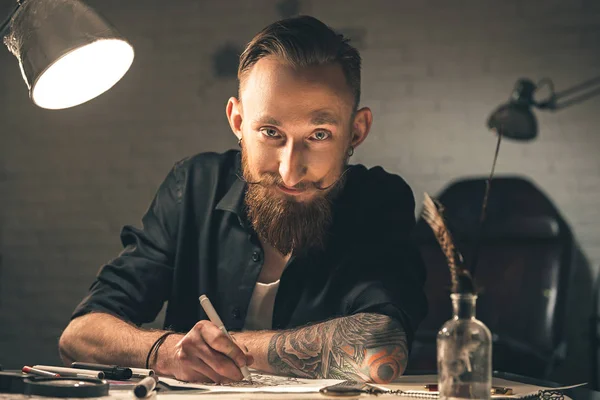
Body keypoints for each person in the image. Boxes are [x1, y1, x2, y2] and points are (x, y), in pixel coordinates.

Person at [58, 15, 427, 384]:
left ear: (356, 131)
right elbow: (80, 335)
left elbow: (381, 350)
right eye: (270, 132)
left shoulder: (379, 200)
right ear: (237, 120)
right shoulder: (193, 185)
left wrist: (222, 349)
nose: (289, 171)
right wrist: (167, 350)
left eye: (319, 134)